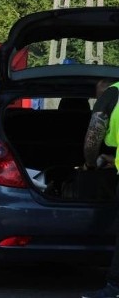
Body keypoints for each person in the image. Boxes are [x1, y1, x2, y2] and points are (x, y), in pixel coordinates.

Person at [82, 78, 119, 298]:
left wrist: (89, 163)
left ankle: (115, 288)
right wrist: (113, 158)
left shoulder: (112, 94)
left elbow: (91, 141)